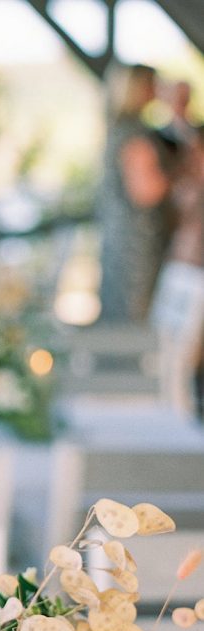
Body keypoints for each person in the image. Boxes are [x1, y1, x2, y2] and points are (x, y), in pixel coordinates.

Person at [99, 64, 174, 322]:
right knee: (136, 314)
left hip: (122, 236)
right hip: (138, 241)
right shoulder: (134, 133)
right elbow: (146, 191)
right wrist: (181, 177)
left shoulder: (119, 128)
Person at [151, 124, 204, 418]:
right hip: (178, 267)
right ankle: (168, 409)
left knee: (186, 350)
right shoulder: (187, 181)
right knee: (164, 343)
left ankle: (183, 414)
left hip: (197, 275)